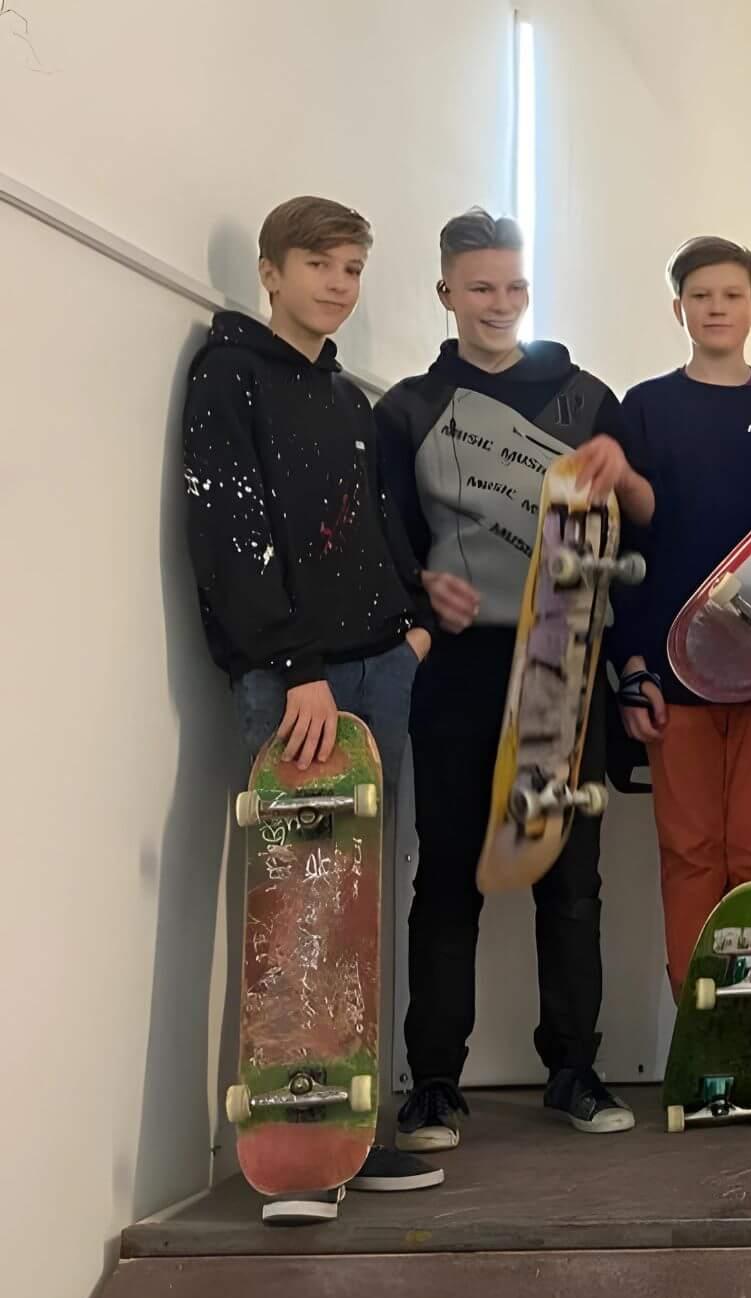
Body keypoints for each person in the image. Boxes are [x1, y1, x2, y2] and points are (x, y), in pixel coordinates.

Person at [182, 194, 443, 1222]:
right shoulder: (227, 378)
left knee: (374, 906)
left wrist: (415, 626)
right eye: (322, 265)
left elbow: (379, 521)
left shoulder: (343, 396)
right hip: (301, 683)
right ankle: (295, 1153)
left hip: (383, 667)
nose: (339, 284)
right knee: (299, 912)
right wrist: (293, 667)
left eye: (353, 268)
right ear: (273, 269)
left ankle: (358, 1131)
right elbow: (230, 533)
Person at [377, 208, 651, 1152]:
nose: (499, 303)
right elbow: (383, 547)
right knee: (447, 876)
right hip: (461, 670)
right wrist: (421, 586)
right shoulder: (407, 407)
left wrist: (623, 477)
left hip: (566, 668)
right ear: (447, 292)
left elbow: (645, 517)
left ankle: (574, 1067)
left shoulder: (586, 396)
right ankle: (435, 1083)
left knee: (570, 882)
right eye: (480, 287)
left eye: (514, 286)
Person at [610, 236, 751, 1011]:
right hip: (674, 681)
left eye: (731, 295)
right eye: (700, 296)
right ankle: (698, 1016)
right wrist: (633, 666)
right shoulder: (644, 406)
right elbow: (628, 549)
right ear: (678, 308)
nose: (716, 307)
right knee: (690, 851)